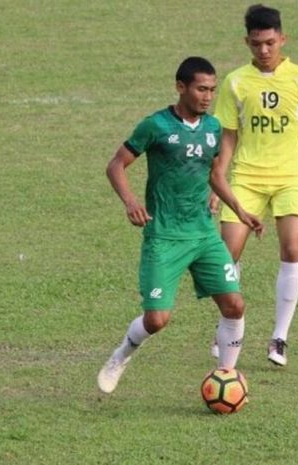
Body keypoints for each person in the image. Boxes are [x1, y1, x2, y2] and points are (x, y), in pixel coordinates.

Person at [97, 57, 263, 394]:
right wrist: (131, 203)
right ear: (181, 87)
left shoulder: (213, 127)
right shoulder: (156, 125)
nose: (207, 96)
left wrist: (240, 210)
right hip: (165, 237)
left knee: (235, 305)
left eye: (212, 90)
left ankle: (227, 378)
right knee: (157, 320)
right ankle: (122, 354)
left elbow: (214, 174)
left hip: (203, 233)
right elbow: (116, 165)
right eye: (201, 89)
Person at [210, 4, 298, 366]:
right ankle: (227, 324)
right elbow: (228, 136)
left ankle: (279, 338)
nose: (264, 50)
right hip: (247, 178)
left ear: (282, 39)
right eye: (257, 44)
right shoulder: (235, 82)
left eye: (270, 43)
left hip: (291, 178)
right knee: (227, 255)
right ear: (247, 42)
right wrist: (218, 183)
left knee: (291, 248)